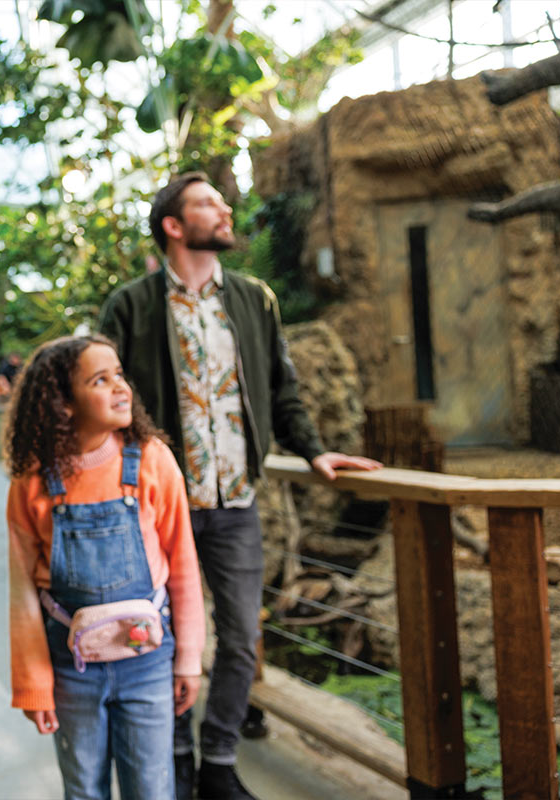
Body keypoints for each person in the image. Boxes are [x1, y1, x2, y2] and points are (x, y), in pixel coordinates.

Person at [99, 173, 381, 800]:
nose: (225, 209)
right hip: (159, 504)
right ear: (174, 226)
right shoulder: (131, 306)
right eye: (208, 203)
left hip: (236, 503)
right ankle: (176, 761)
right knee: (161, 634)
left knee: (241, 635)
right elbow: (102, 395)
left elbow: (282, 389)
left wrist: (313, 451)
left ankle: (219, 760)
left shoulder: (255, 299)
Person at [4, 334, 206, 800]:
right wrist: (34, 684)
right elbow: (22, 595)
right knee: (83, 790)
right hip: (71, 668)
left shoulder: (154, 460)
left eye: (119, 375)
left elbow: (184, 568)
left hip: (149, 661)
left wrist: (189, 659)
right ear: (64, 403)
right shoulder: (33, 481)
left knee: (152, 788)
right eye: (100, 379)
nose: (121, 387)